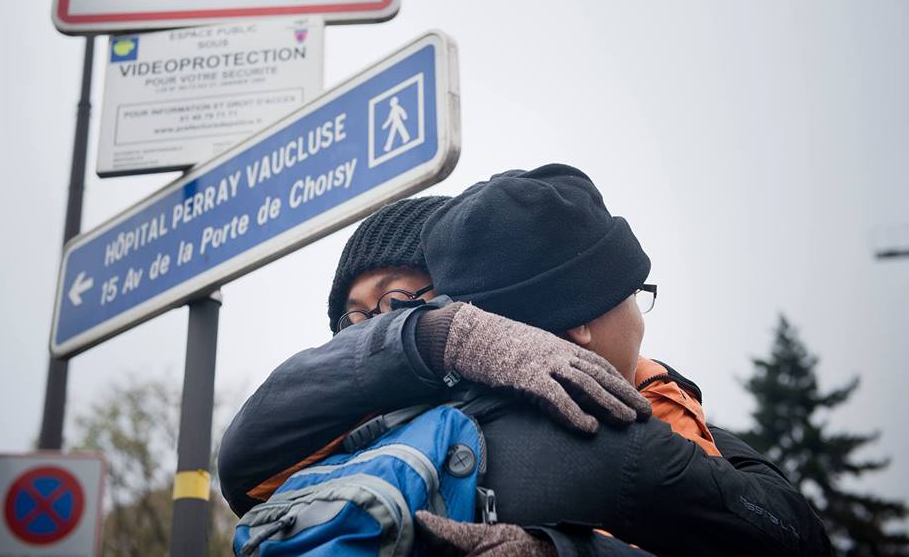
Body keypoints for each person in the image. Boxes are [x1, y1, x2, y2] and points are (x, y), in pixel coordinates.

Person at [219, 169, 832, 556]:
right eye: (357, 317)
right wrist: (442, 335)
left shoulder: (644, 405)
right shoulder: (344, 434)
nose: (377, 326)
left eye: (404, 302)